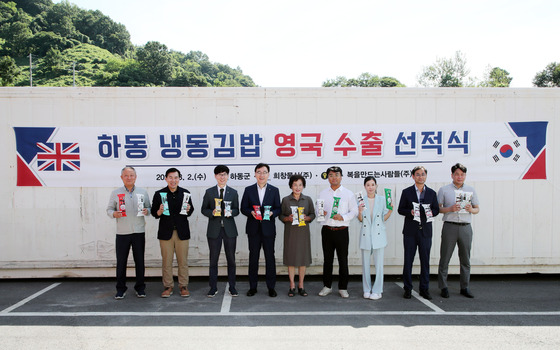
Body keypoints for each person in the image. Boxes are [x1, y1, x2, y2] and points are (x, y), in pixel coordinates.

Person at [106, 166, 151, 299]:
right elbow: (108, 209)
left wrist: (146, 211)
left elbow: (149, 207)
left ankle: (140, 288)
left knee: (140, 261)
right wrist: (114, 213)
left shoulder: (143, 192)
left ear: (135, 177)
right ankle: (120, 289)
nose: (129, 177)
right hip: (122, 233)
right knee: (121, 262)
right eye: (126, 175)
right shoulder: (116, 193)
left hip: (138, 231)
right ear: (122, 177)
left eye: (131, 175)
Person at [437, 163, 480, 299]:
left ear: (465, 176)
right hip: (450, 226)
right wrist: (450, 209)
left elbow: (477, 208)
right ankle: (443, 287)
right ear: (452, 175)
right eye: (457, 174)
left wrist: (470, 209)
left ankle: (464, 286)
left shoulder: (471, 190)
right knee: (445, 258)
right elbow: (438, 209)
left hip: (465, 227)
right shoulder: (444, 190)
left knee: (465, 259)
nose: (459, 177)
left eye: (462, 174)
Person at [151, 167, 194, 298]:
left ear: (179, 179)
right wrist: (159, 211)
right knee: (167, 261)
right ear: (165, 179)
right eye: (170, 177)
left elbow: (190, 211)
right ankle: (168, 286)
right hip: (165, 232)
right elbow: (154, 213)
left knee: (183, 261)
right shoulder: (159, 194)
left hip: (182, 232)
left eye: (176, 177)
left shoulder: (185, 193)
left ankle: (183, 286)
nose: (173, 180)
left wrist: (188, 209)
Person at [398, 165, 439, 300]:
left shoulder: (432, 193)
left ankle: (424, 288)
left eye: (423, 174)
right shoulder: (407, 192)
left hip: (425, 231)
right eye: (418, 174)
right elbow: (400, 209)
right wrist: (409, 212)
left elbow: (436, 210)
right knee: (408, 260)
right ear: (413, 176)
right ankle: (408, 288)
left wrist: (431, 212)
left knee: (425, 261)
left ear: (426, 176)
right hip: (410, 231)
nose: (420, 176)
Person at [317, 166, 359, 298]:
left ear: (341, 177)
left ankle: (343, 287)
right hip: (327, 230)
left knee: (343, 260)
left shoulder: (348, 193)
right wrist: (321, 213)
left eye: (336, 175)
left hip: (342, 231)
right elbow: (319, 212)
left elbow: (354, 211)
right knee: (327, 260)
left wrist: (343, 217)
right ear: (327, 177)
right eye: (331, 175)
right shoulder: (323, 193)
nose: (333, 178)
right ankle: (327, 286)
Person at [241, 163, 282, 297]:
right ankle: (253, 287)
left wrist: (272, 214)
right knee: (253, 258)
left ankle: (271, 287)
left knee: (270, 258)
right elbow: (243, 208)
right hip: (253, 229)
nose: (261, 175)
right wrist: (251, 212)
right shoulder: (249, 190)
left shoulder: (274, 190)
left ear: (268, 174)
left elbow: (278, 208)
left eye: (264, 172)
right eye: (259, 172)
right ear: (255, 174)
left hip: (268, 229)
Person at [201, 165, 240, 298]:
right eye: (219, 175)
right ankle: (213, 287)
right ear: (215, 176)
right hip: (214, 230)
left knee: (231, 260)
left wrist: (230, 213)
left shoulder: (233, 192)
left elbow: (237, 209)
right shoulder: (209, 192)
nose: (222, 177)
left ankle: (232, 287)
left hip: (229, 230)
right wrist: (211, 212)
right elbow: (203, 209)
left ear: (228, 176)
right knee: (213, 260)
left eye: (224, 174)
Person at [279, 174, 316, 297]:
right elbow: (280, 215)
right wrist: (287, 218)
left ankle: (301, 285)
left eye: (300, 185)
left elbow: (313, 214)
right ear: (291, 186)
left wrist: (308, 217)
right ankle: (292, 285)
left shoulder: (307, 199)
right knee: (291, 260)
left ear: (303, 186)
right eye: (295, 185)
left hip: (303, 233)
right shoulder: (285, 200)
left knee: (302, 260)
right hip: (290, 233)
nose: (297, 187)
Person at [357, 176, 392, 300]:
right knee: (365, 265)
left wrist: (390, 210)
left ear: (376, 186)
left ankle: (377, 290)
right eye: (368, 185)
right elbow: (360, 220)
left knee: (379, 264)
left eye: (372, 184)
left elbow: (383, 219)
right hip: (366, 234)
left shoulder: (382, 200)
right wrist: (360, 212)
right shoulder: (361, 200)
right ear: (365, 187)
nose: (370, 187)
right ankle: (366, 289)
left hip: (378, 234)